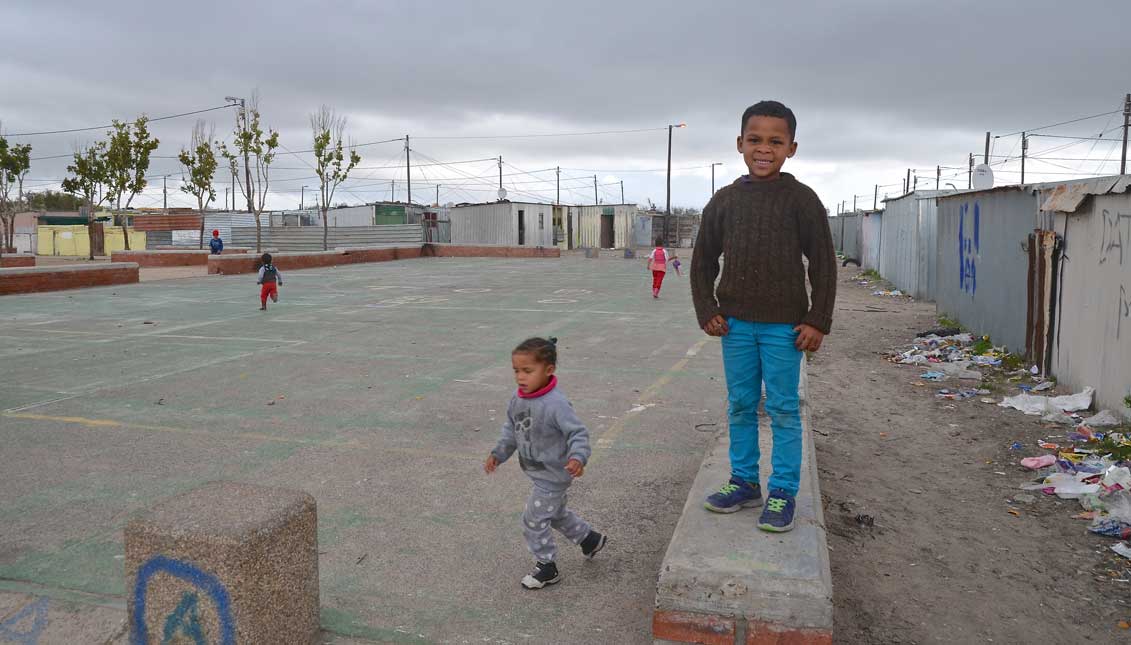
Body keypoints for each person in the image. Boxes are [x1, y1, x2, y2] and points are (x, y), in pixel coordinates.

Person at [691, 100, 836, 533]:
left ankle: (783, 492)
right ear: (740, 143)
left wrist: (817, 320)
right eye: (755, 139)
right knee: (740, 405)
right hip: (734, 326)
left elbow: (824, 265)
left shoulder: (802, 200)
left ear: (791, 147)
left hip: (784, 328)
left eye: (776, 141)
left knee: (784, 408)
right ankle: (744, 482)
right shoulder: (724, 200)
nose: (764, 149)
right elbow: (702, 262)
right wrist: (708, 311)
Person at [485, 337, 607, 589]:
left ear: (548, 370)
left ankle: (547, 566)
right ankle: (589, 539)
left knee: (533, 519)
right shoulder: (518, 400)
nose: (520, 377)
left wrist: (577, 457)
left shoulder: (556, 404)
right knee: (555, 514)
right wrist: (499, 453)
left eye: (528, 371)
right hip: (537, 471)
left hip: (554, 475)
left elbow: (578, 434)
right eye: (516, 371)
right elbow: (511, 430)